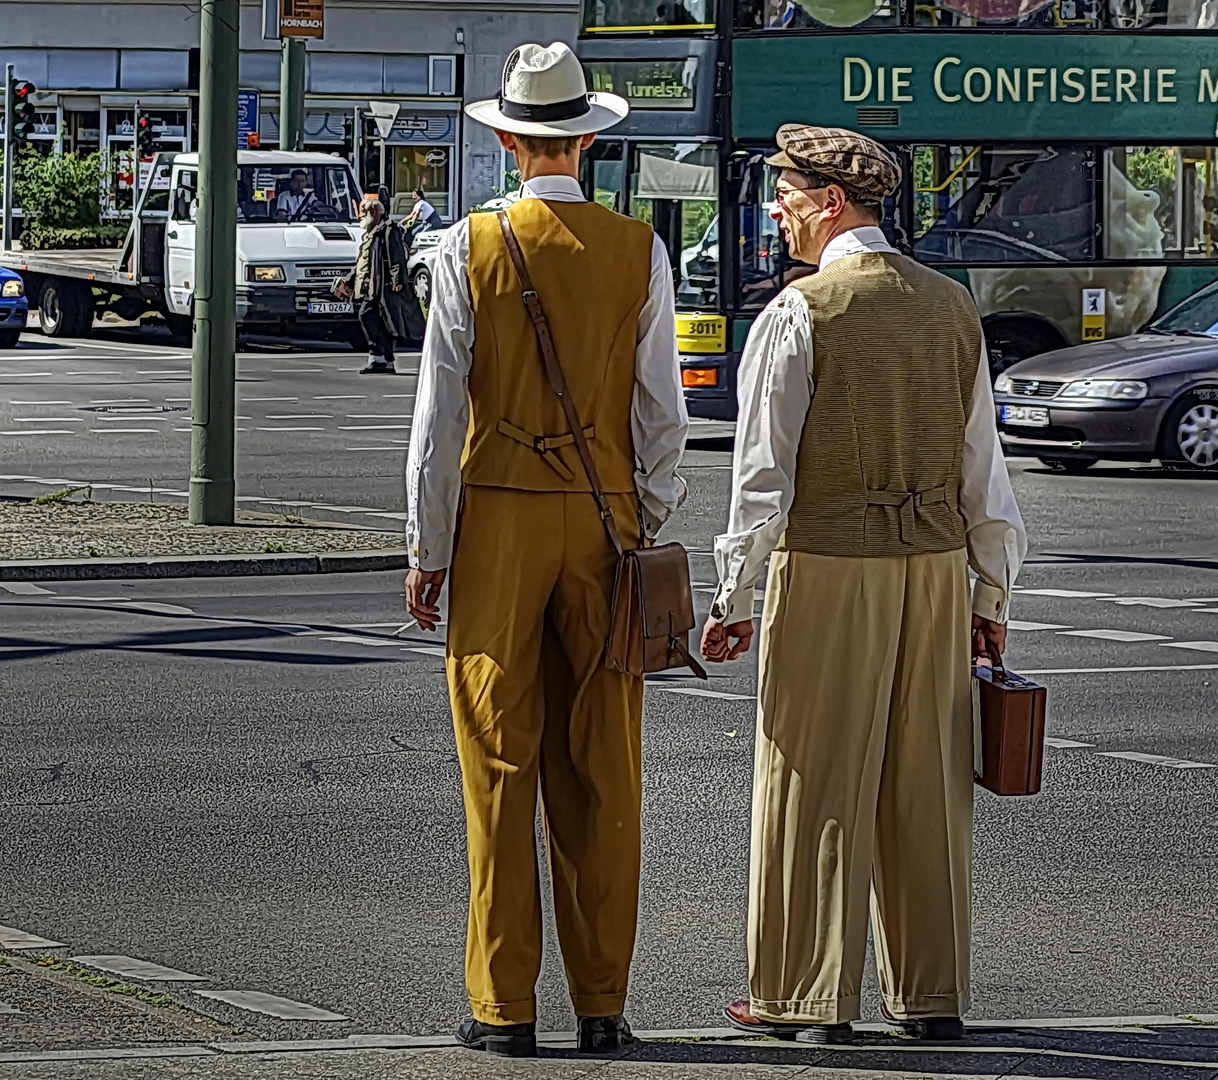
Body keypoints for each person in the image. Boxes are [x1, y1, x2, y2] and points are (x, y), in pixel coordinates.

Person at [702, 124, 1026, 1045]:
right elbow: (983, 468)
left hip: (832, 564)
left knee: (810, 778)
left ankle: (805, 997)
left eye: (786, 193)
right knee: (925, 782)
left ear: (828, 202)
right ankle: (932, 994)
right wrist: (988, 595)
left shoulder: (801, 313)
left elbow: (764, 480)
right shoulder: (952, 306)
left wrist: (734, 599)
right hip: (933, 567)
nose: (778, 209)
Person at [403, 41, 688, 1058]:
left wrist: (427, 548)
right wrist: (647, 516)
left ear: (510, 141)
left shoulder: (465, 248)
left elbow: (438, 421)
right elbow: (662, 414)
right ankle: (603, 1002)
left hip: (499, 521)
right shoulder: (638, 249)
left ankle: (502, 1005)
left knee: (497, 762)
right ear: (582, 139)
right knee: (605, 763)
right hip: (608, 520)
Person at [334, 198, 422, 372]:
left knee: (367, 316)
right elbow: (362, 262)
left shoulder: (389, 230)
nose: (359, 215)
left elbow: (397, 256)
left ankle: (379, 358)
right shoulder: (371, 232)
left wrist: (398, 281)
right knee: (380, 323)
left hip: (382, 287)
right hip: (370, 286)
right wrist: (349, 281)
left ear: (373, 213)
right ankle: (383, 360)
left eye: (362, 211)